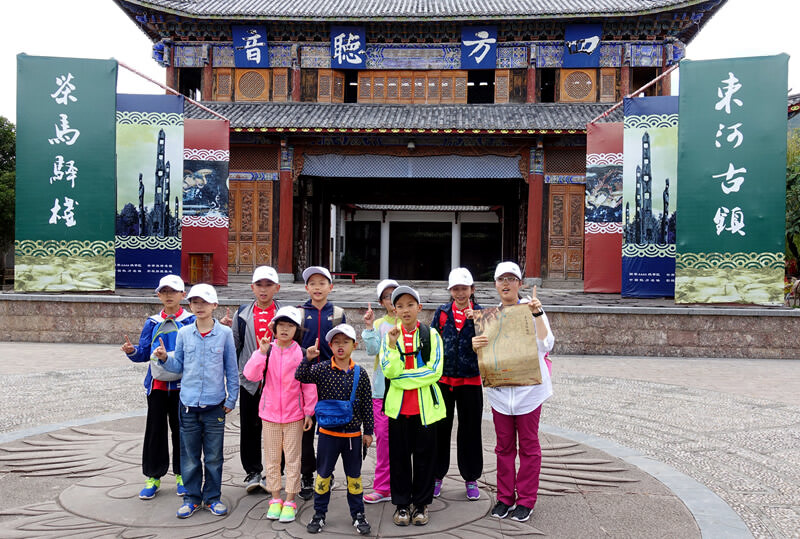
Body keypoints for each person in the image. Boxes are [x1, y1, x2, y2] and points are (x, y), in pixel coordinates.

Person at [472, 261, 554, 523]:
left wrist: (538, 314)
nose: (506, 283)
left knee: (529, 448)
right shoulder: (489, 317)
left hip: (529, 394)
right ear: (495, 284)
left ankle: (526, 500)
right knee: (503, 448)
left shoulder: (531, 309)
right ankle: (505, 498)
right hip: (500, 394)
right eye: (501, 279)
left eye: (511, 279)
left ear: (520, 283)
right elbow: (487, 354)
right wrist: (476, 345)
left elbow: (547, 344)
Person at [153, 284, 239, 519]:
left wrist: (232, 398)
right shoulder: (184, 333)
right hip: (188, 405)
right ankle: (191, 499)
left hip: (215, 406)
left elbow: (231, 369)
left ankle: (212, 498)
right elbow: (178, 366)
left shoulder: (224, 333)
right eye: (194, 302)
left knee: (214, 457)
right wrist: (164, 358)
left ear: (214, 305)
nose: (199, 306)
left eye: (204, 302)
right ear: (189, 305)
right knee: (189, 457)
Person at [121, 274, 195, 500]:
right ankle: (153, 476)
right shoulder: (152, 322)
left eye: (173, 291)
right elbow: (144, 352)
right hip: (157, 386)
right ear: (158, 295)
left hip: (183, 387)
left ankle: (183, 476)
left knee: (182, 431)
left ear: (183, 295)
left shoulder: (190, 321)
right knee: (155, 431)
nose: (168, 295)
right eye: (164, 291)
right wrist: (132, 351)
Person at [295, 324, 373, 536]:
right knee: (323, 476)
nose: (340, 346)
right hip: (328, 435)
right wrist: (308, 358)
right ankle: (319, 514)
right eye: (336, 342)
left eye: (345, 342)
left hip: (352, 436)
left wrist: (368, 431)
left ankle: (358, 514)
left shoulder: (360, 373)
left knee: (354, 477)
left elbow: (367, 404)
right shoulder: (322, 369)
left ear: (354, 346)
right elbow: (300, 376)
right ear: (330, 346)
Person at [242, 306, 316, 524]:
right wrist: (261, 352)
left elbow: (308, 385)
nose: (284, 329)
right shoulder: (268, 350)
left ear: (296, 330)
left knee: (293, 459)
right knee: (272, 459)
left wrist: (309, 412)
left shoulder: (301, 353)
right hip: (270, 415)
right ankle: (275, 498)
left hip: (295, 415)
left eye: (290, 326)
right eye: (281, 325)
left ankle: (290, 500)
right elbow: (250, 375)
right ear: (274, 328)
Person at [380, 285, 445, 527]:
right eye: (400, 306)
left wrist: (402, 380)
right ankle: (401, 504)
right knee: (398, 459)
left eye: (410, 305)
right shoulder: (390, 336)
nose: (405, 310)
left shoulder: (432, 335)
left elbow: (435, 371)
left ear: (419, 307)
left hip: (425, 409)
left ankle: (421, 504)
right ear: (394, 310)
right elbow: (389, 371)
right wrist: (392, 347)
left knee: (425, 458)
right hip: (398, 410)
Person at [226, 265, 282, 493]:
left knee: (277, 428)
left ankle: (274, 471)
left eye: (268, 285)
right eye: (259, 285)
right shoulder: (242, 314)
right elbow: (234, 347)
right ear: (252, 287)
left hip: (278, 381)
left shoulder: (286, 313)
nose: (263, 289)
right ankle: (252, 471)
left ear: (277, 288)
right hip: (250, 381)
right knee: (249, 427)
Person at [431, 268, 484, 500]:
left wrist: (478, 322)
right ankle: (436, 475)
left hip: (470, 380)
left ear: (472, 289)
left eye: (464, 288)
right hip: (443, 380)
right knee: (439, 430)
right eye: (455, 289)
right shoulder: (442, 313)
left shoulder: (483, 314)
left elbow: (493, 344)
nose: (460, 293)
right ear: (450, 291)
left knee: (470, 430)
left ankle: (471, 477)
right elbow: (432, 341)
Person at [297, 265, 345, 500]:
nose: (317, 288)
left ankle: (326, 473)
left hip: (330, 378)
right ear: (307, 288)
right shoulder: (298, 312)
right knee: (305, 430)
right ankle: (307, 474)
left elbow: (343, 345)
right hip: (306, 379)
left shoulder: (337, 313)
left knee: (329, 430)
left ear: (330, 287)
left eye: (322, 283)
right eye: (312, 284)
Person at [359, 279, 398, 504]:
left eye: (395, 294)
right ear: (381, 302)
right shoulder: (380, 324)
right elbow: (373, 350)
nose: (391, 300)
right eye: (387, 296)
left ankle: (404, 486)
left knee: (406, 442)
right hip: (382, 392)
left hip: (407, 391)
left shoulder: (410, 322)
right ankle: (383, 488)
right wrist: (368, 327)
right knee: (383, 440)